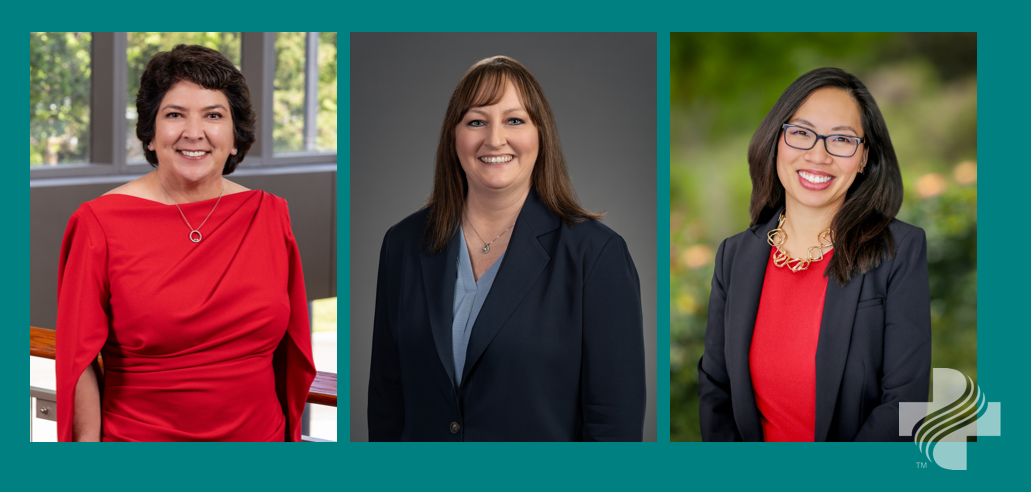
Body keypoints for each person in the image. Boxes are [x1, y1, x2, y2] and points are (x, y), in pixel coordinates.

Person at [367, 56, 646, 441]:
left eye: (515, 120)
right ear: (455, 136)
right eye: (476, 121)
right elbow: (387, 399)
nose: (494, 139)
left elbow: (614, 423)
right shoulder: (402, 244)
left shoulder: (596, 256)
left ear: (540, 135)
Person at [56, 44, 315, 442]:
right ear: (150, 134)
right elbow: (78, 360)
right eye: (175, 114)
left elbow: (291, 353)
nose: (193, 133)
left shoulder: (269, 215)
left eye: (213, 115)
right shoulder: (98, 223)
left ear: (234, 138)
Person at [697, 67, 931, 442]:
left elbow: (907, 402)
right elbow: (716, 393)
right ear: (777, 140)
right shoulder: (735, 256)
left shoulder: (897, 250)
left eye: (841, 139)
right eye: (802, 133)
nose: (818, 155)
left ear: (863, 157)